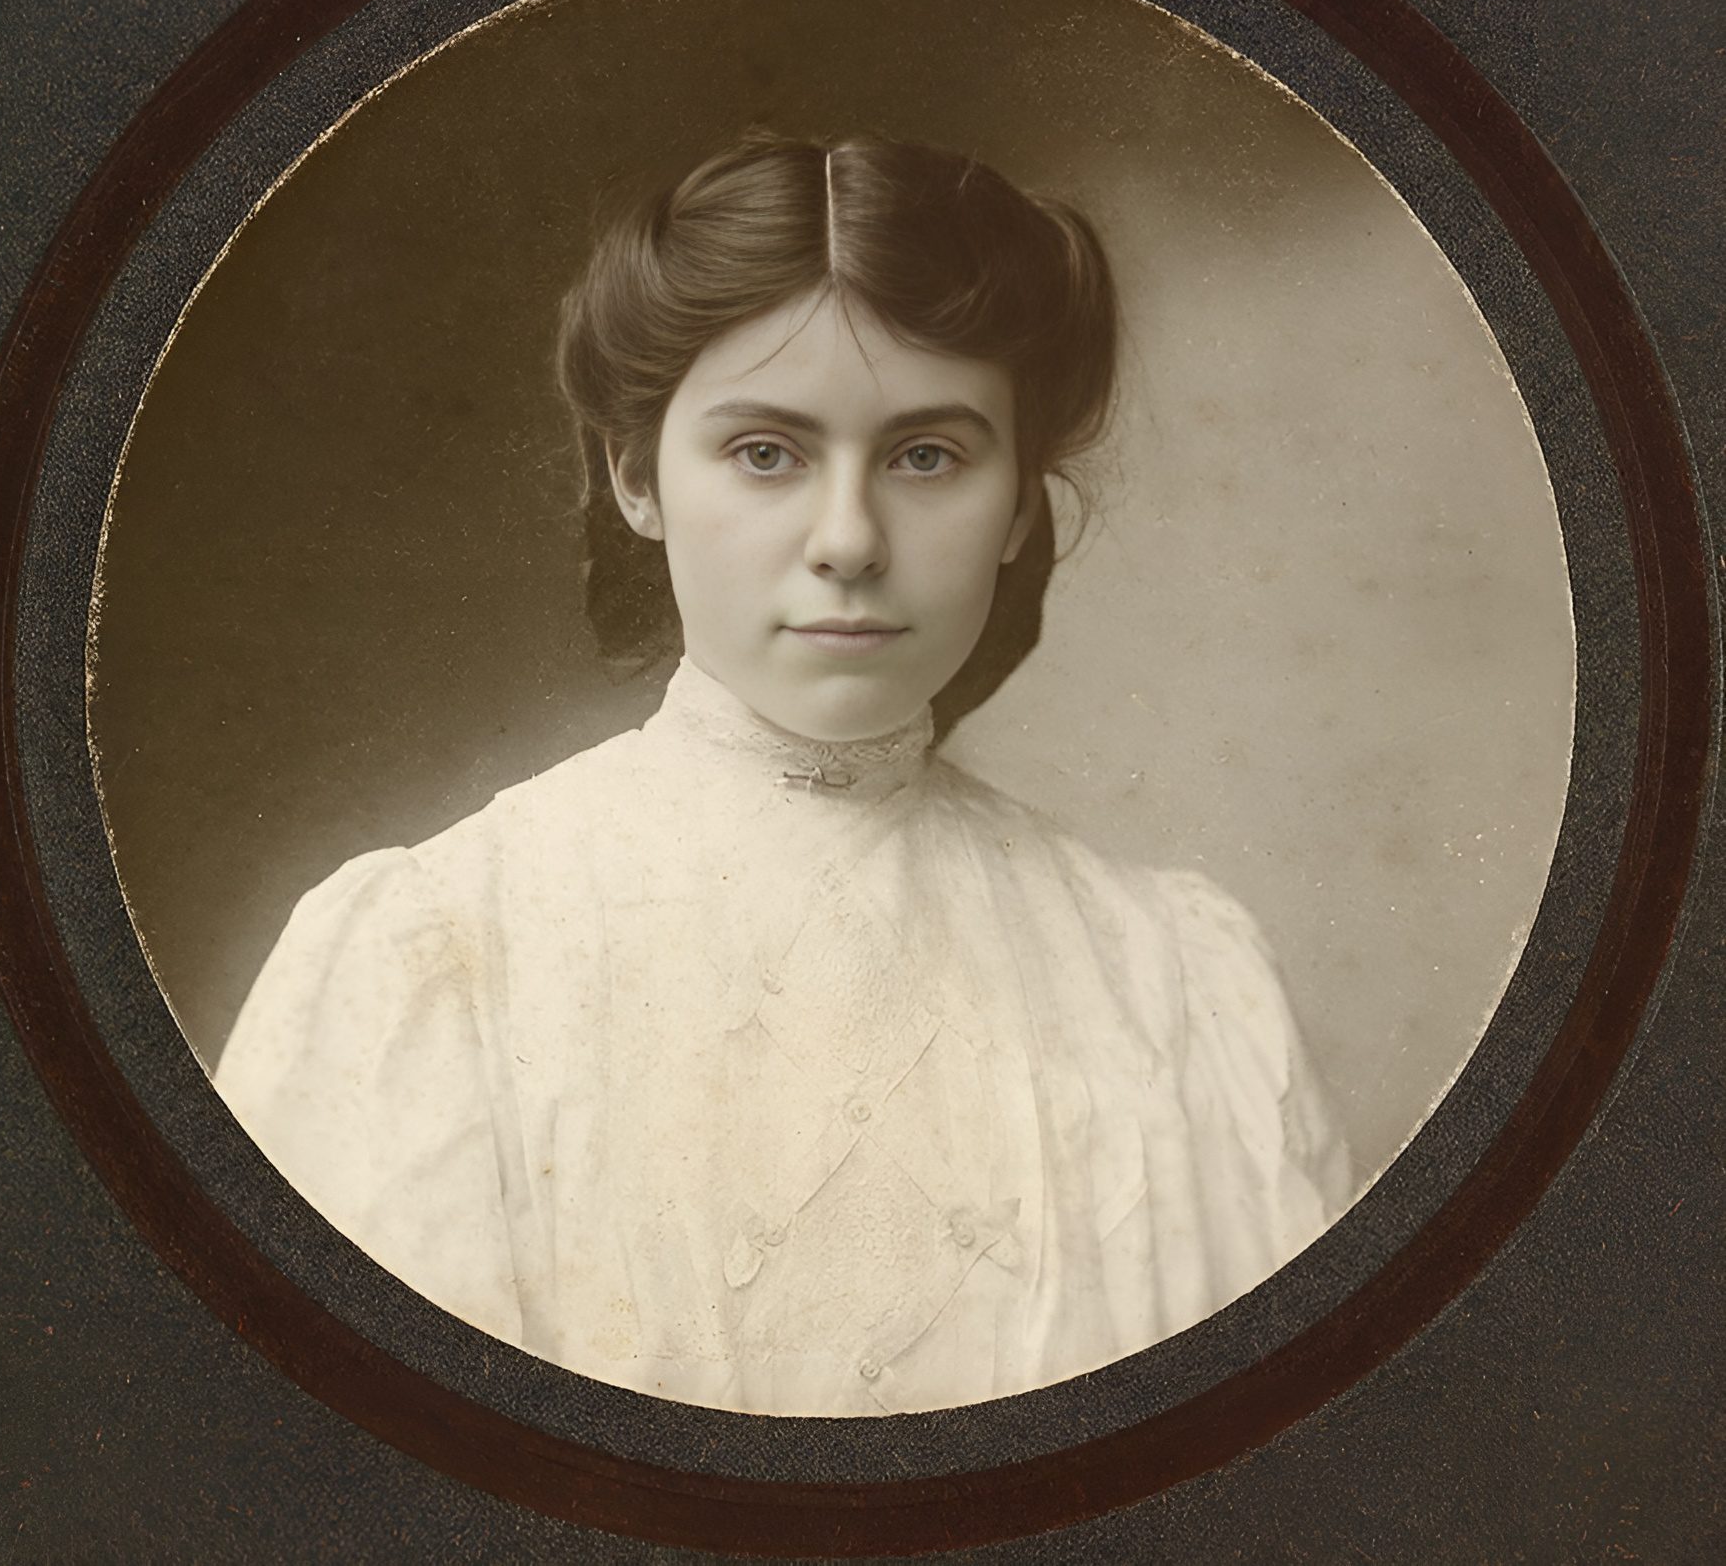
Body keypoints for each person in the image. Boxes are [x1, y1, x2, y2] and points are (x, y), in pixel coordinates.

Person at [215, 135, 1352, 1417]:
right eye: (766, 452)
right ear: (636, 477)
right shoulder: (435, 957)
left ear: (1022, 505)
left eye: (927, 455)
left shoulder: (1178, 981)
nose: (849, 540)